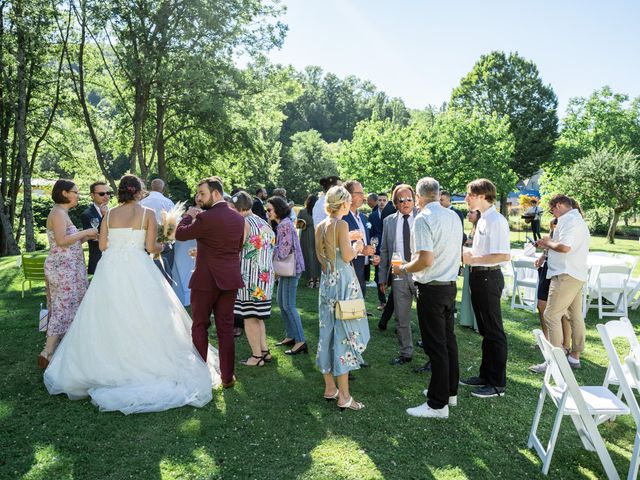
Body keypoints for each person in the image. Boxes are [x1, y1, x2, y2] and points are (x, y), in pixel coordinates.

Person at [44, 175, 219, 414]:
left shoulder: (110, 214)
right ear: (138, 192)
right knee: (144, 312)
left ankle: (100, 364)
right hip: (138, 266)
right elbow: (150, 248)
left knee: (107, 314)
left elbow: (103, 246)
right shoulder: (147, 213)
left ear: (120, 192)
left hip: (111, 267)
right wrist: (165, 242)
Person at [398, 177, 462, 419]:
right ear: (436, 193)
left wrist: (403, 268)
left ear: (418, 196)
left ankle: (437, 404)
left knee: (437, 346)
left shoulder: (424, 218)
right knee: (448, 342)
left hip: (432, 288)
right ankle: (449, 392)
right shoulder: (453, 215)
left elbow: (425, 259)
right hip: (449, 286)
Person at [176, 177, 245, 389]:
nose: (198, 198)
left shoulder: (205, 218)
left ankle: (200, 374)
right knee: (225, 329)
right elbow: (236, 247)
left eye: (202, 194)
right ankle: (227, 378)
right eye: (197, 194)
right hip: (230, 279)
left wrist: (188, 216)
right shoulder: (239, 218)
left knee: (200, 326)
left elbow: (180, 234)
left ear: (216, 193)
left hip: (205, 280)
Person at [315, 185, 370, 411]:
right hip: (344, 283)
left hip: (327, 284)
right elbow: (347, 256)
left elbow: (326, 254)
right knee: (344, 334)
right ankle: (344, 396)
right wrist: (357, 246)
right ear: (344, 203)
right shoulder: (342, 224)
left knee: (327, 332)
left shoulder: (321, 226)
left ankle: (330, 388)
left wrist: (347, 239)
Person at [461, 179, 510, 398]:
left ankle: (497, 383)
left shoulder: (496, 220)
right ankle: (485, 375)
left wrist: (473, 258)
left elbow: (503, 255)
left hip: (489, 277)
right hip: (479, 277)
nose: (466, 199)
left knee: (494, 331)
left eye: (469, 195)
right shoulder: (482, 220)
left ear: (482, 195)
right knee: (485, 330)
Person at [39, 180, 97, 368]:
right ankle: (47, 352)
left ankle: (67, 348)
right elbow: (62, 241)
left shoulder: (63, 213)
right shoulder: (57, 213)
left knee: (73, 305)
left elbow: (67, 242)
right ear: (64, 193)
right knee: (62, 306)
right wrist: (85, 232)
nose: (78, 195)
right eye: (76, 192)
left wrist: (84, 237)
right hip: (62, 269)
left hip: (71, 268)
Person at [536, 194, 590, 369]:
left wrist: (548, 242)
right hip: (577, 274)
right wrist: (548, 245)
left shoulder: (567, 220)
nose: (552, 213)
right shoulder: (578, 219)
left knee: (551, 315)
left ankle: (555, 361)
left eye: (552, 209)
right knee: (574, 316)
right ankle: (575, 356)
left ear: (559, 205)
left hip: (565, 274)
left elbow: (565, 247)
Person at [230, 191, 276, 366]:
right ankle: (264, 351)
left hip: (249, 275)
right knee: (258, 316)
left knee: (249, 317)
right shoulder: (263, 222)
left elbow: (236, 247)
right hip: (265, 275)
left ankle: (256, 356)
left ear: (238, 207)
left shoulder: (243, 223)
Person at [378, 184, 419, 366]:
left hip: (421, 273)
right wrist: (381, 278)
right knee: (401, 317)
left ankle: (433, 353)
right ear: (395, 202)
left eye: (409, 199)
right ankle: (406, 353)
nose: (405, 203)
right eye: (401, 200)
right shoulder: (388, 221)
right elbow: (385, 251)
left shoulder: (423, 218)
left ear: (415, 200)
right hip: (398, 274)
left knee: (428, 316)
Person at [528, 217, 572, 373]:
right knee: (542, 305)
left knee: (562, 311)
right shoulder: (556, 223)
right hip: (548, 267)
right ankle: (548, 341)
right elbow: (550, 244)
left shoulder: (570, 224)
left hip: (562, 270)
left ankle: (565, 347)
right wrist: (543, 256)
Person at [268, 196, 307, 355]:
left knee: (288, 305)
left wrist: (270, 250)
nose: (268, 212)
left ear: (277, 209)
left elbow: (284, 250)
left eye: (269, 209)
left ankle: (300, 340)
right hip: (287, 269)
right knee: (282, 303)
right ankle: (291, 336)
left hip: (291, 269)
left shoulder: (284, 225)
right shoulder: (282, 224)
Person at [342, 180, 376, 298]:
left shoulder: (362, 217)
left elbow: (364, 241)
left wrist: (371, 254)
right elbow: (341, 243)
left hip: (362, 269)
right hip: (349, 269)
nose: (364, 196)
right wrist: (362, 251)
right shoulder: (342, 218)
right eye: (360, 193)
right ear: (349, 196)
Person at [140, 178, 176, 280]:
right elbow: (173, 225)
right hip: (164, 243)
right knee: (165, 273)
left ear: (151, 188)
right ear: (163, 189)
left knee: (147, 275)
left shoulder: (142, 202)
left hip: (145, 242)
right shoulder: (168, 202)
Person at [80, 181, 111, 274]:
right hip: (98, 259)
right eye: (102, 194)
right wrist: (104, 216)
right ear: (92, 196)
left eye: (108, 193)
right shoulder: (87, 214)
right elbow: (93, 236)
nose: (106, 196)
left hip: (115, 259)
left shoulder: (115, 212)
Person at [459, 210, 480, 330]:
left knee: (475, 293)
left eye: (471, 213)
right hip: (468, 263)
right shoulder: (473, 228)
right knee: (467, 291)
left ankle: (477, 323)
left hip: (476, 264)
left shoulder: (481, 227)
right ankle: (468, 320)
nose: (468, 215)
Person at [297, 194, 321, 288]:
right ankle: (318, 279)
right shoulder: (319, 212)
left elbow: (299, 226)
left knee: (308, 256)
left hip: (307, 234)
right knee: (317, 255)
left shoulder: (303, 212)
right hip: (318, 233)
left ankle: (310, 279)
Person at [368, 192, 386, 309]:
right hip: (377, 248)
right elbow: (370, 233)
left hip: (390, 248)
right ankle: (382, 301)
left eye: (384, 200)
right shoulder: (372, 215)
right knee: (379, 276)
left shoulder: (392, 213)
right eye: (380, 200)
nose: (381, 202)